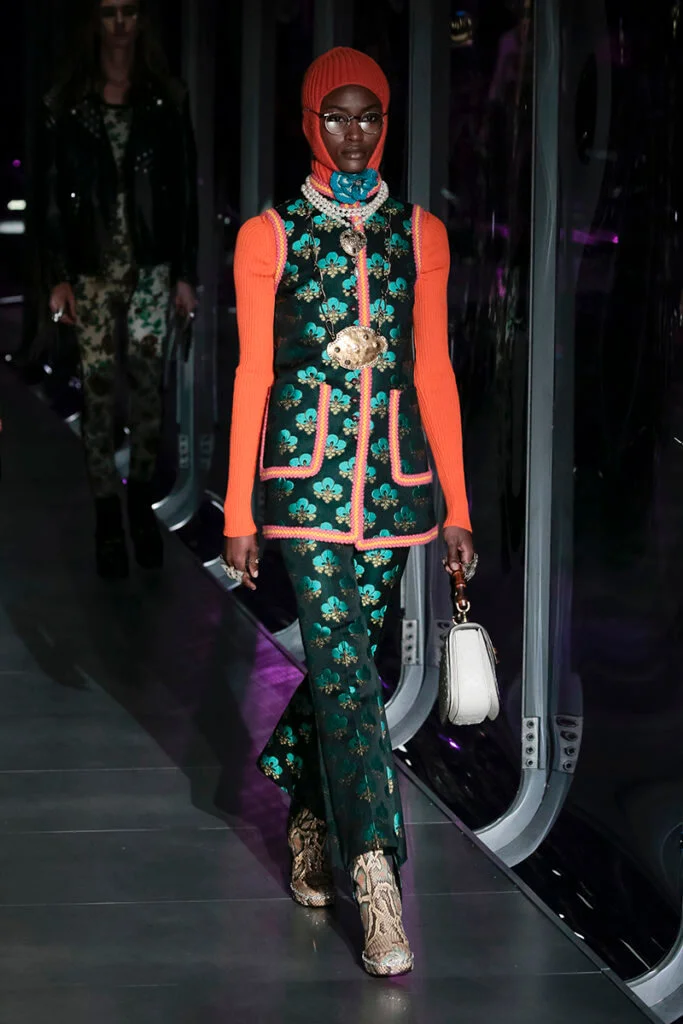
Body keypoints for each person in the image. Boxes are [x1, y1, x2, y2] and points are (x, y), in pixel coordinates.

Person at [223, 47, 475, 977]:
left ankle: (304, 811)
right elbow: (253, 374)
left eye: (369, 116)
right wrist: (238, 511)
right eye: (336, 116)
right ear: (308, 120)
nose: (354, 134)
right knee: (343, 667)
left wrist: (457, 506)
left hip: (394, 486)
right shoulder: (269, 234)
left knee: (346, 674)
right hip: (302, 482)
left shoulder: (420, 232)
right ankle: (376, 877)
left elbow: (433, 369)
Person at [40, 0, 198, 579]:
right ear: (95, 21)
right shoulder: (68, 103)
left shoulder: (164, 99)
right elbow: (53, 194)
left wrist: (185, 272)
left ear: (142, 20)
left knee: (149, 392)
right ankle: (108, 517)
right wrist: (58, 275)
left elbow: (183, 189)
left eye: (130, 10)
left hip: (152, 266)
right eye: (109, 12)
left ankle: (139, 507)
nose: (120, 22)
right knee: (100, 395)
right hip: (90, 268)